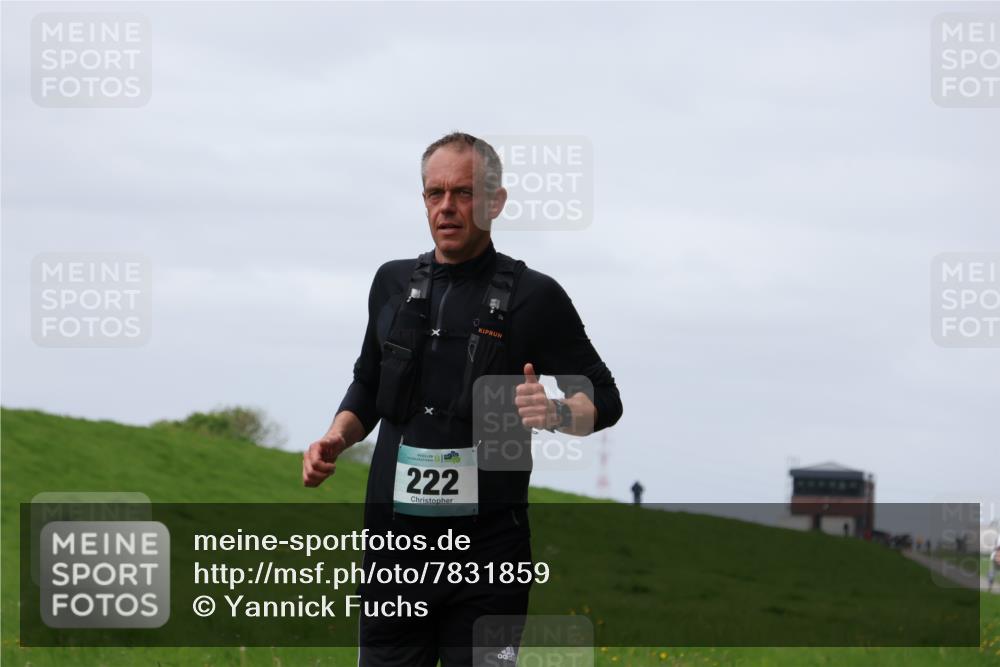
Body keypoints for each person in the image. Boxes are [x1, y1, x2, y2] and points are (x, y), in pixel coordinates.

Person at [302, 132, 623, 667]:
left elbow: (605, 399)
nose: (447, 206)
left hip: (490, 553)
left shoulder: (534, 296)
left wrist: (558, 412)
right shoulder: (392, 282)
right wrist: (337, 435)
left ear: (496, 201)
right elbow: (367, 384)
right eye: (435, 193)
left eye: (464, 193)